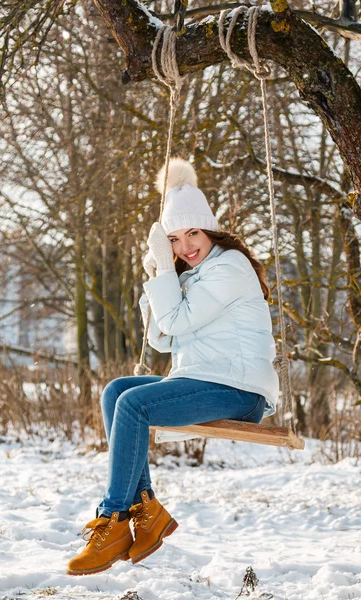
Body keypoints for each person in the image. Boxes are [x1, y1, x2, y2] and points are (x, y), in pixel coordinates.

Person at [66, 158, 279, 576]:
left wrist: (166, 271)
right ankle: (147, 510)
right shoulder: (192, 273)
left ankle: (113, 519)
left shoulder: (228, 268)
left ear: (209, 230)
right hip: (204, 378)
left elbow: (176, 322)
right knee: (115, 391)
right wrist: (156, 275)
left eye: (193, 234)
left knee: (133, 406)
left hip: (237, 388)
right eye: (174, 240)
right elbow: (161, 337)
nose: (185, 247)